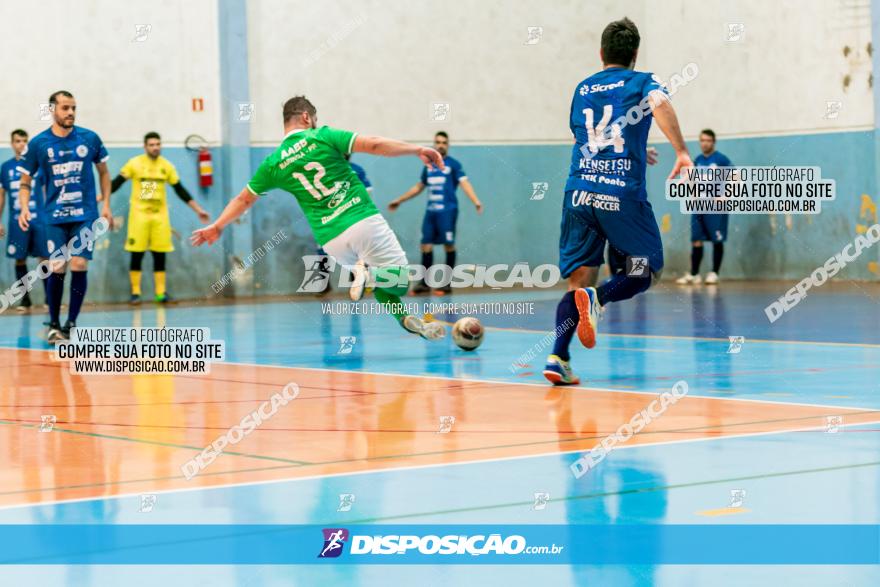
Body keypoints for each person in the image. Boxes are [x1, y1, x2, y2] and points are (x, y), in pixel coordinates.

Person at [191, 95, 446, 340]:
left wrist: (218, 225)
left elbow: (243, 199)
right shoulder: (323, 135)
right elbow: (375, 144)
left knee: (379, 282)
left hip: (331, 240)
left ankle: (407, 320)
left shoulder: (274, 162)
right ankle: (369, 275)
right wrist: (417, 149)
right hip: (361, 219)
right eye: (313, 118)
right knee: (401, 281)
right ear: (306, 117)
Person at [543, 17, 692, 385]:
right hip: (620, 193)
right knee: (645, 269)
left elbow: (592, 136)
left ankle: (557, 357)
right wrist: (682, 151)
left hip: (579, 192)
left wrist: (639, 148)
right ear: (635, 54)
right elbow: (659, 104)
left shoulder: (582, 87)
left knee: (576, 280)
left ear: (601, 53)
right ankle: (600, 297)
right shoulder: (643, 81)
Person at [17, 91, 112, 342]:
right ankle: (54, 325)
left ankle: (71, 323)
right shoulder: (39, 144)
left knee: (79, 264)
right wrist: (25, 207)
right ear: (53, 110)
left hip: (85, 213)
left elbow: (104, 173)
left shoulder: (89, 138)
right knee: (57, 267)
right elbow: (25, 181)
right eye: (65, 108)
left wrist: (107, 205)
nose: (70, 112)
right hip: (54, 216)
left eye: (73, 108)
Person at [110, 131, 210, 304]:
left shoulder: (166, 166)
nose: (155, 147)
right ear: (145, 146)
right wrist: (100, 197)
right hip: (139, 215)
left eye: (158, 144)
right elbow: (116, 182)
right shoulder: (135, 164)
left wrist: (198, 209)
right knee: (137, 254)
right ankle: (135, 294)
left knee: (160, 254)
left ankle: (160, 294)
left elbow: (180, 189)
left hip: (160, 216)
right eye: (152, 145)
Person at [388, 131, 483, 294]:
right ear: (434, 144)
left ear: (448, 145)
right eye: (438, 142)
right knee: (425, 244)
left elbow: (465, 183)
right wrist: (400, 200)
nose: (440, 145)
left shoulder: (454, 165)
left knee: (448, 245)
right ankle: (424, 283)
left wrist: (476, 201)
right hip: (431, 213)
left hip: (447, 211)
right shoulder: (428, 165)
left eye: (444, 142)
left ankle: (446, 284)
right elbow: (418, 187)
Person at [676, 129, 733, 285]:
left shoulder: (721, 160)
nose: (704, 143)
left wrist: (725, 196)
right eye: (702, 140)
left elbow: (736, 178)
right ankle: (694, 274)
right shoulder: (698, 160)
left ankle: (714, 273)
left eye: (708, 140)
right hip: (699, 205)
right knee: (696, 239)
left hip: (716, 207)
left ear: (713, 142)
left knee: (717, 240)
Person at [0, 129, 48, 313]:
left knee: (44, 259)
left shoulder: (38, 165)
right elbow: (1, 196)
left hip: (39, 219)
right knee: (19, 259)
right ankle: (25, 300)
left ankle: (49, 299)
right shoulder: (5, 167)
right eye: (17, 141)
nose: (21, 144)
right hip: (17, 221)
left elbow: (46, 191)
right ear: (12, 144)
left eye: (24, 141)